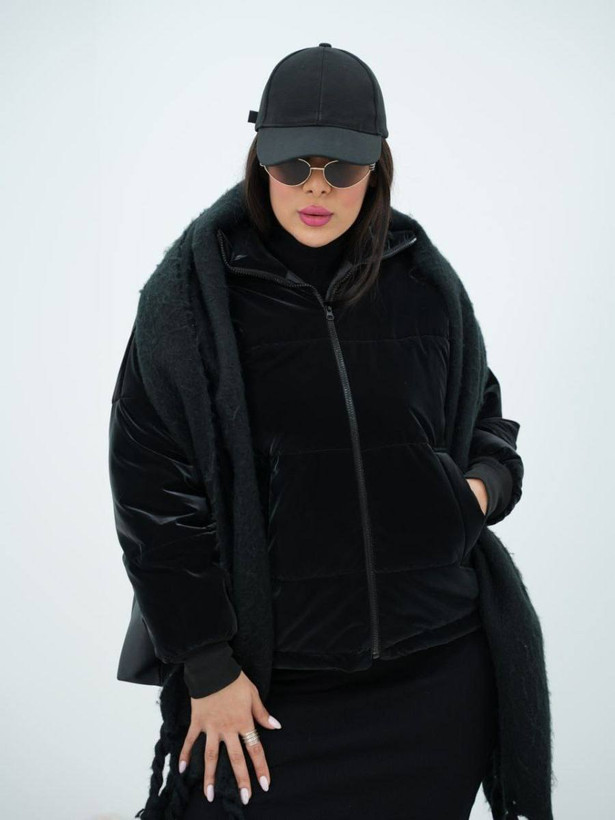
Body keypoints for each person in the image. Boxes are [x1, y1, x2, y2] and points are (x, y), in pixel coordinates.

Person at [109, 44, 548, 820]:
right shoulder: (196, 301)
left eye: (341, 167)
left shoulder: (423, 281)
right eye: (292, 164)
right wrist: (206, 667)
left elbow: (483, 418)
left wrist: (477, 492)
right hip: (273, 695)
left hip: (436, 682)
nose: (316, 186)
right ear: (261, 159)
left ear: (376, 165)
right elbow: (154, 494)